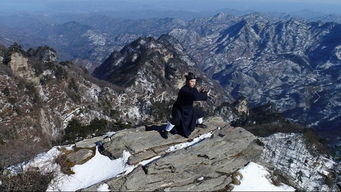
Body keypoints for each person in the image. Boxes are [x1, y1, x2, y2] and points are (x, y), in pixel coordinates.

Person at [160, 72, 211, 139]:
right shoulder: (184, 90)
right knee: (176, 119)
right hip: (179, 108)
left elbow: (196, 95)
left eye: (194, 82)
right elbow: (194, 96)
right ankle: (165, 131)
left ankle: (198, 123)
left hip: (188, 108)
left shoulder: (193, 89)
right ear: (187, 81)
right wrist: (205, 95)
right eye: (192, 81)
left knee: (200, 112)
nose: (194, 83)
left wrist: (202, 93)